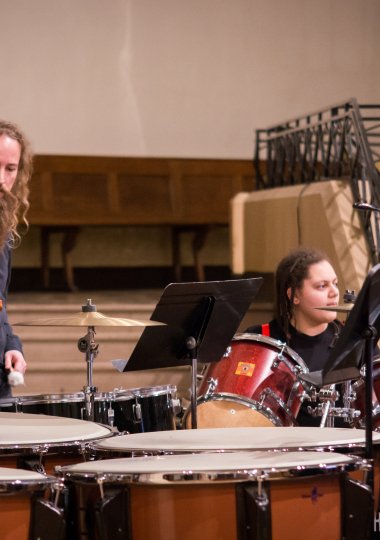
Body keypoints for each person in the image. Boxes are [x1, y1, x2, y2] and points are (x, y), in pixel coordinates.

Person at [245, 247, 348, 427]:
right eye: (322, 286)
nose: (334, 293)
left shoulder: (353, 339)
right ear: (294, 295)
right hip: (276, 451)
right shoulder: (258, 339)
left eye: (335, 283)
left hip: (345, 452)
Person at [0, 120, 32, 397]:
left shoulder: (4, 233)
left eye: (10, 169)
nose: (1, 179)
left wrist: (12, 344)